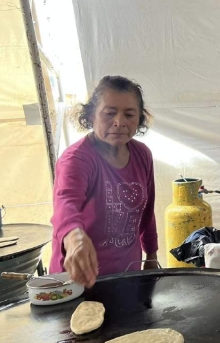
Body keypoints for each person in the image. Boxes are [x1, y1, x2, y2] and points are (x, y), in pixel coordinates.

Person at [50, 75, 159, 288]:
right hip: (78, 281)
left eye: (129, 114)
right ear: (91, 116)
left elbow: (147, 211)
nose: (119, 122)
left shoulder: (142, 155)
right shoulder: (77, 159)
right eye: (109, 113)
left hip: (128, 276)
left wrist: (152, 256)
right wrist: (74, 237)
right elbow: (65, 203)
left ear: (139, 119)